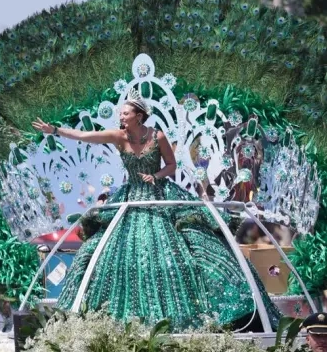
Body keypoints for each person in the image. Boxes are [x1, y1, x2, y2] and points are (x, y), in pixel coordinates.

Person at [31, 89, 281, 331]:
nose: (121, 117)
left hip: (159, 196)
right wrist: (54, 130)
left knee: (191, 248)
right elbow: (86, 136)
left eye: (125, 113)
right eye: (121, 113)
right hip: (130, 199)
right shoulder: (118, 137)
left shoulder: (157, 136)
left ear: (138, 116)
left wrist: (156, 176)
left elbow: (171, 165)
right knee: (100, 253)